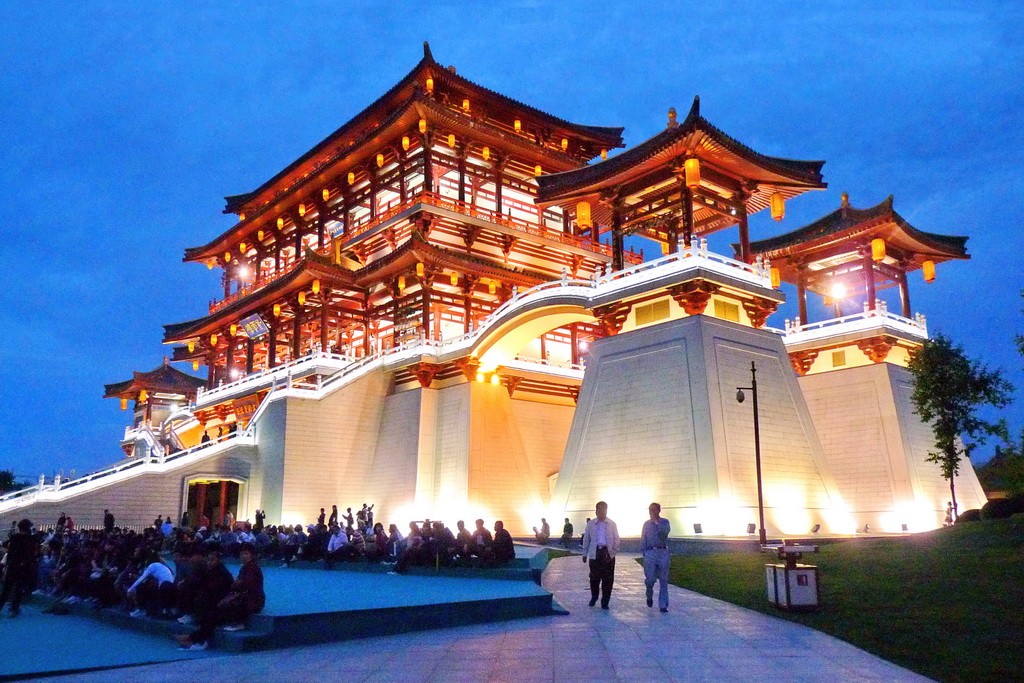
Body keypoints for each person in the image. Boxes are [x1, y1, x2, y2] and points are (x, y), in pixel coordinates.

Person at [177, 542, 265, 650]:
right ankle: (194, 638)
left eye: (246, 554)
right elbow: (237, 586)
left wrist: (230, 598)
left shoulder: (253, 569)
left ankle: (197, 640)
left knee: (212, 615)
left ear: (252, 555)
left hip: (249, 603)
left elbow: (246, 590)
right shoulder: (246, 568)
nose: (243, 556)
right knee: (211, 613)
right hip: (243, 600)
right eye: (242, 553)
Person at [581, 501, 620, 609]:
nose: (602, 512)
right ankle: (594, 596)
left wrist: (612, 553)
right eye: (600, 509)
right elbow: (586, 539)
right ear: (596, 511)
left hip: (607, 553)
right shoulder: (591, 524)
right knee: (594, 577)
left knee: (608, 579)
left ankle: (605, 602)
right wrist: (584, 553)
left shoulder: (612, 524)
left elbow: (616, 539)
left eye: (604, 509)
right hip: (595, 553)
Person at [0, 519, 36, 617]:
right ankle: (14, 609)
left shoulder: (14, 537)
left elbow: (10, 552)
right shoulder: (32, 539)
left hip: (13, 565)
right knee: (19, 588)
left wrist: (7, 564)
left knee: (6, 589)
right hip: (24, 566)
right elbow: (31, 554)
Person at [641, 502, 671, 613]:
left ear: (659, 510)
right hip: (650, 552)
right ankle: (649, 594)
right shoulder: (646, 524)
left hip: (662, 551)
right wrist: (644, 552)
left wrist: (656, 523)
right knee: (650, 579)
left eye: (653, 510)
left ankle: (663, 605)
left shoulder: (665, 522)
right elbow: (643, 538)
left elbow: (664, 533)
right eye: (650, 510)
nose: (651, 512)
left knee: (663, 579)